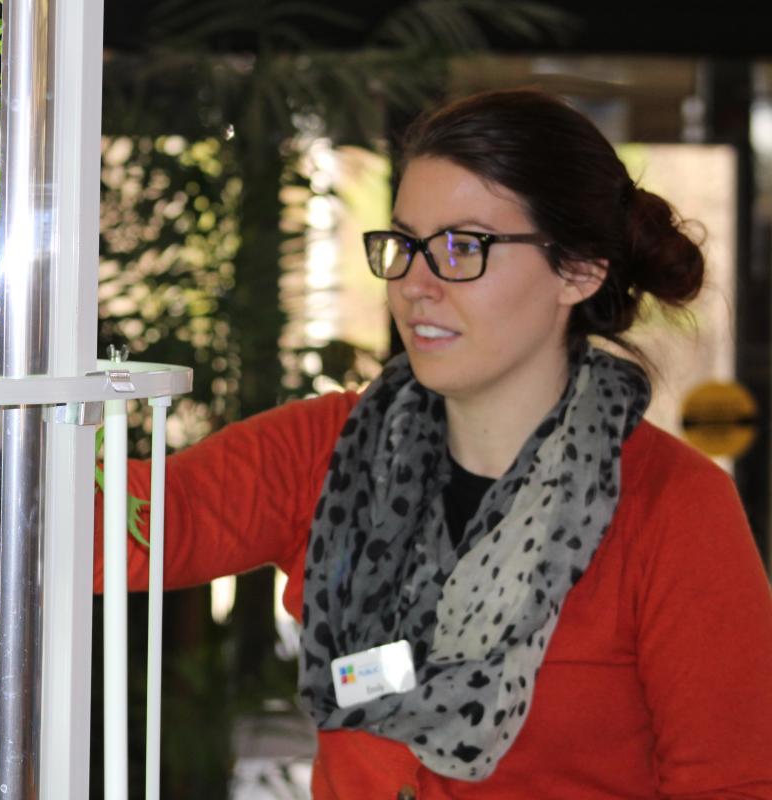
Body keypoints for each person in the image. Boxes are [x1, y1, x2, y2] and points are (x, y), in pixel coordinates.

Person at [96, 89, 772, 799]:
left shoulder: (673, 508)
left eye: (461, 247)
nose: (415, 284)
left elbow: (735, 784)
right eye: (405, 244)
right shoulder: (329, 452)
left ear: (579, 269)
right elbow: (126, 527)